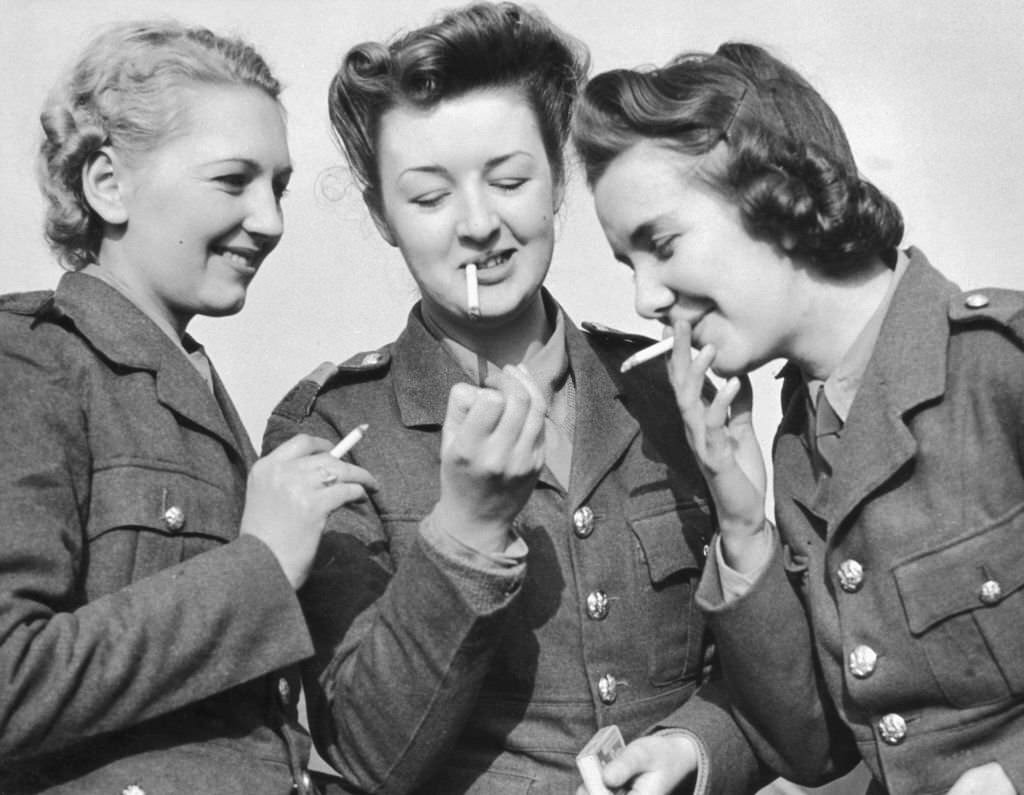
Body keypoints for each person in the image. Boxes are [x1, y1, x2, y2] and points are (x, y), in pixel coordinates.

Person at [263, 4, 767, 794]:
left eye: (509, 180)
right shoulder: (334, 428)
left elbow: (764, 677)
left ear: (559, 180)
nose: (479, 224)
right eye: (429, 198)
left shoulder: (665, 388)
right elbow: (365, 753)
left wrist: (694, 749)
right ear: (381, 217)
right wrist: (463, 531)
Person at [574, 41, 1024, 795]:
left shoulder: (999, 365)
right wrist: (744, 523)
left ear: (775, 194)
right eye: (628, 264)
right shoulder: (794, 443)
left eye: (661, 243)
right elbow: (814, 748)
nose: (645, 299)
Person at [0, 21, 377, 795]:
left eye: (275, 185)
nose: (271, 219)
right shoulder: (32, 362)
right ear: (108, 183)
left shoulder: (194, 384)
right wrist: (261, 564)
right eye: (232, 181)